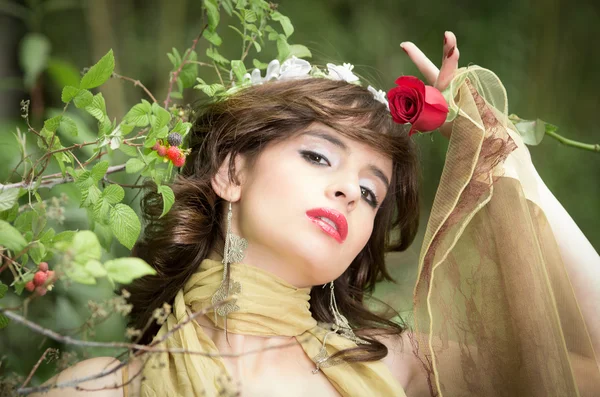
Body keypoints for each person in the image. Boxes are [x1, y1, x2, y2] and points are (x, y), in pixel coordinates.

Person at [31, 32, 600, 397]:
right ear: (231, 173)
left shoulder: (398, 365)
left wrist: (505, 162)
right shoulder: (100, 389)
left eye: (372, 193)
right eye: (318, 155)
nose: (350, 192)